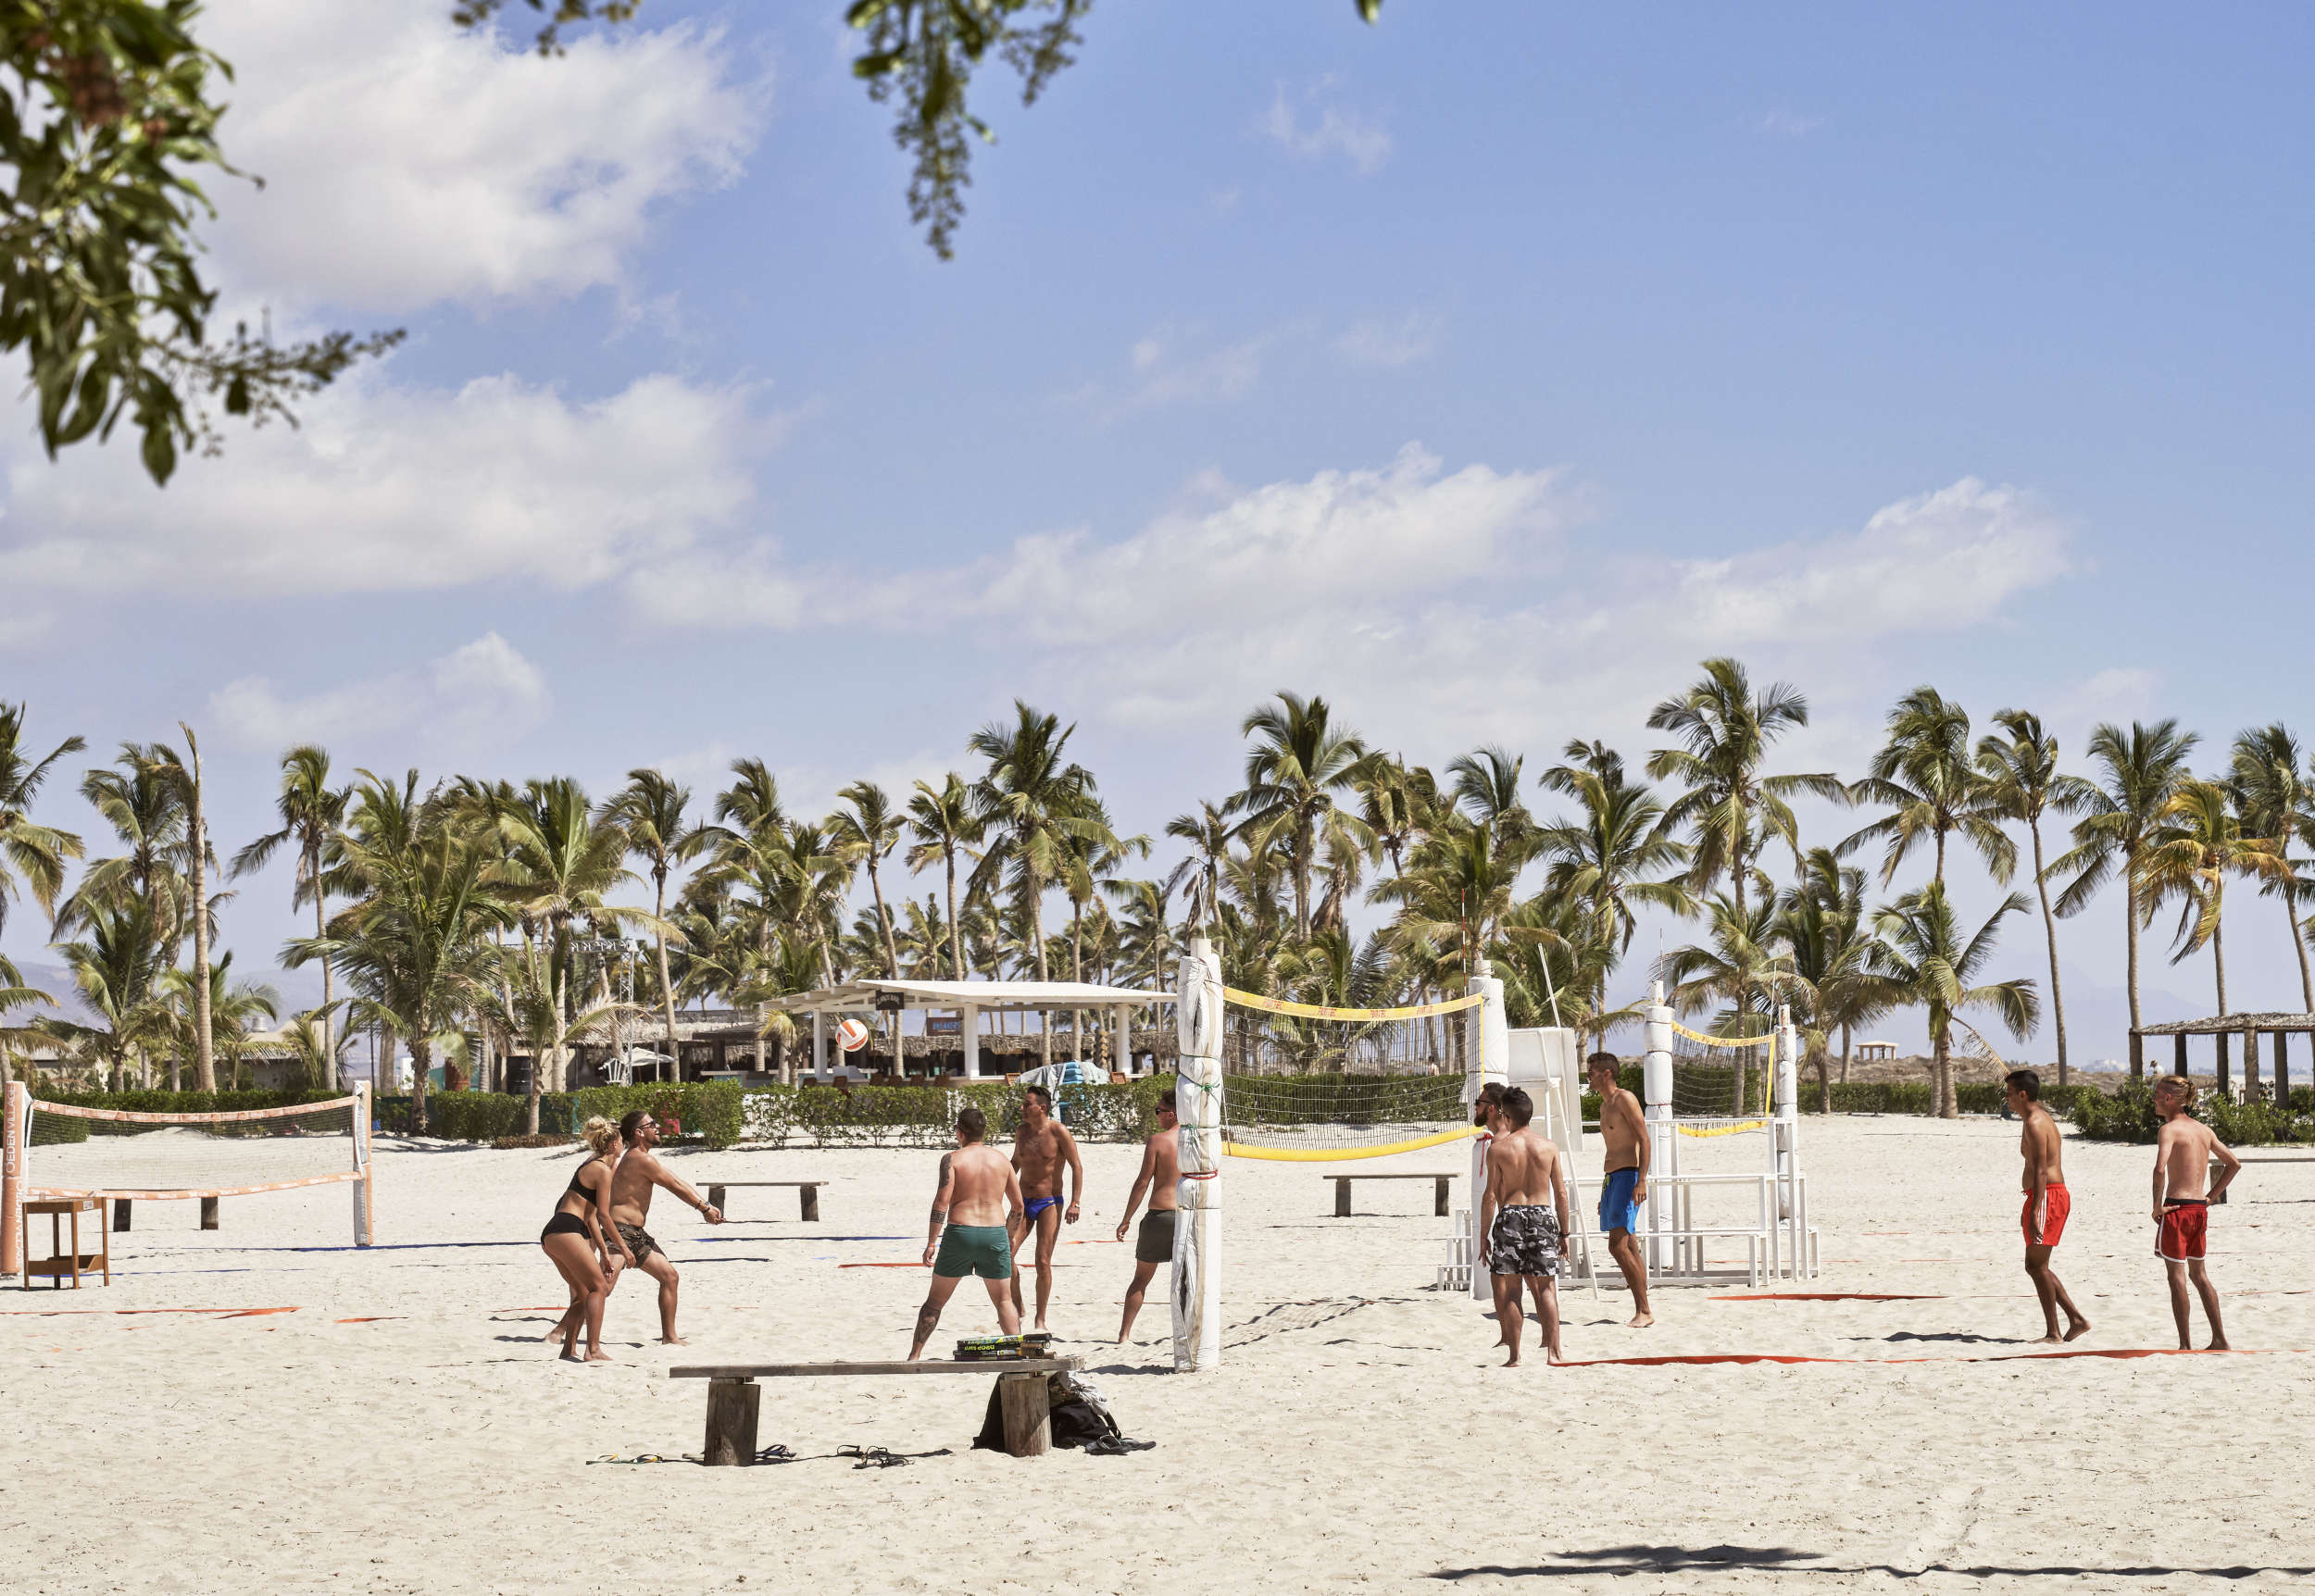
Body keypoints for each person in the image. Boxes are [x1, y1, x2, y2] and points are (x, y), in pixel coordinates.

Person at [908, 1105, 1027, 1358]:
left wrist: (931, 1242)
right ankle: (1019, 1355)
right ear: (984, 1132)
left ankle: (915, 1355)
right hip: (994, 1232)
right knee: (1004, 1301)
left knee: (935, 1302)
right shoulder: (1001, 1160)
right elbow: (1018, 1206)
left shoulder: (952, 1159)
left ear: (959, 1133)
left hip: (960, 1232)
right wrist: (1008, 1236)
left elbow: (941, 1202)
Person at [606, 1109, 724, 1346]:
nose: (657, 1127)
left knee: (669, 1277)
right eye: (652, 1124)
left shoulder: (641, 1157)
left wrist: (706, 1206)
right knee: (602, 1288)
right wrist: (704, 1208)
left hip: (635, 1234)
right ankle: (561, 1332)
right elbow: (674, 1185)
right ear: (639, 1132)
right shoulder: (640, 1158)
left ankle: (670, 1338)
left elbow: (676, 1180)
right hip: (620, 1232)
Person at [1477, 1087, 1570, 1367]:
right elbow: (1561, 1194)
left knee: (1513, 1290)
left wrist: (1484, 1235)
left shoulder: (1499, 1149)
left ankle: (1515, 1356)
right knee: (1546, 1288)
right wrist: (1564, 1233)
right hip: (1543, 1215)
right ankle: (1554, 1353)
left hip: (1511, 1215)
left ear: (1506, 1116)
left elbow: (1490, 1195)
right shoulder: (1549, 1147)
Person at [2152, 1076, 2241, 1351]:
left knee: (2176, 1276)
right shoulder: (2204, 1130)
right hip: (2199, 1210)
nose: (2153, 1099)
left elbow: (2159, 1169)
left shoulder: (2169, 1130)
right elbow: (2233, 1164)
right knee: (2199, 1275)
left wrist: (2157, 1205)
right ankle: (2220, 1339)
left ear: (2169, 1099)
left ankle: (2185, 1344)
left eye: (2156, 1095)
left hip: (2177, 1208)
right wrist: (2211, 1197)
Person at [2005, 1068, 2089, 1343]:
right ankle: (2076, 1319)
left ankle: (2054, 1332)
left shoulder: (2036, 1123)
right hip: (2044, 1196)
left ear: (2022, 1094)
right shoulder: (2032, 1118)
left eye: (2009, 1094)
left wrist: (2036, 1211)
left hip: (2049, 1196)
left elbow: (2041, 1169)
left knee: (2036, 1265)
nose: (2007, 1099)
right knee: (2036, 1265)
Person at [538, 1116, 632, 1363]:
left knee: (582, 1292)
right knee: (598, 1287)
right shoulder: (601, 1170)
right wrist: (622, 1247)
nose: (623, 1144)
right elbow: (603, 1215)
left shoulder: (591, 1166)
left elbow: (591, 1218)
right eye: (622, 1140)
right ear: (613, 1145)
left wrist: (603, 1251)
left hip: (556, 1231)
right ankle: (593, 1350)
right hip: (567, 1229)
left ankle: (568, 1349)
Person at [1586, 1052, 1654, 1328]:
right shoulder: (1604, 1106)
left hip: (1628, 1175)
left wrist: (1642, 1180)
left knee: (1618, 1246)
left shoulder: (1624, 1098)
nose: (1588, 1076)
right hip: (1612, 1178)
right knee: (1630, 1246)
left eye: (1591, 1071)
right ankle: (1644, 1308)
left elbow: (1644, 1139)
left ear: (1607, 1073)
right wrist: (1607, 1192)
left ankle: (1645, 1310)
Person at [1008, 1084, 1083, 1332]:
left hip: (1049, 1202)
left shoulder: (1058, 1131)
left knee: (1042, 1260)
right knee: (1005, 1256)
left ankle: (1040, 1318)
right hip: (1022, 1201)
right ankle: (1018, 1308)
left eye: (1026, 1104)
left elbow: (1076, 1166)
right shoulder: (1021, 1131)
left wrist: (1075, 1202)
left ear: (1041, 1108)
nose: (1022, 1107)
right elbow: (1014, 1164)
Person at [1112, 1090, 1182, 1343]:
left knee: (1141, 1279)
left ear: (1171, 1113)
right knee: (1186, 1281)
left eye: (1159, 1111)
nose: (1157, 1116)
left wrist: (1126, 1218)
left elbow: (1142, 1183)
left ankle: (1124, 1335)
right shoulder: (1196, 1139)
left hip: (1160, 1216)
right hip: (1186, 1218)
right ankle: (1182, 1334)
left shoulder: (1158, 1141)